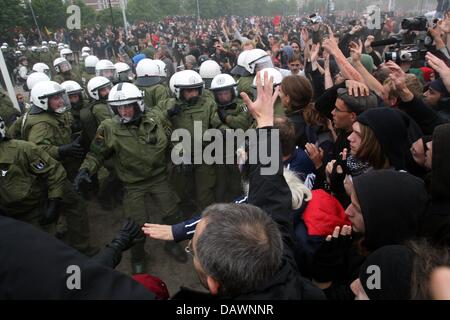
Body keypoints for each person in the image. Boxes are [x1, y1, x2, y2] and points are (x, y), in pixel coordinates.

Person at [169, 70, 325, 300]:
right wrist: (264, 124)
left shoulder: (283, 259)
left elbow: (267, 201)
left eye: (195, 251)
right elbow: (272, 199)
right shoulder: (295, 279)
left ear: (214, 284)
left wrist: (180, 230)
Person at [74, 82, 187, 274]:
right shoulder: (108, 127)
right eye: (119, 107)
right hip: (133, 183)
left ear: (139, 104)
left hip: (158, 177)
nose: (124, 111)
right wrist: (85, 170)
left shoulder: (155, 119)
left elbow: (171, 140)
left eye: (128, 106)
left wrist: (182, 155)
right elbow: (96, 154)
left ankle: (171, 243)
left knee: (173, 214)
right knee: (136, 224)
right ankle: (138, 256)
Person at [313, 169, 429, 300]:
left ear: (383, 219)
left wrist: (322, 281)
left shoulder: (386, 269)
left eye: (357, 209)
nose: (347, 212)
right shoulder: (366, 235)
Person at [21, 81, 95, 256]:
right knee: (76, 205)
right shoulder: (41, 124)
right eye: (55, 98)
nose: (61, 101)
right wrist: (62, 150)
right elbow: (36, 151)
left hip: (53, 169)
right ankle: (82, 247)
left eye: (60, 97)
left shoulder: (41, 114)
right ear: (42, 101)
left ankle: (61, 229)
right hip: (50, 172)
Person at [157, 70, 226, 214]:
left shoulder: (207, 104)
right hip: (180, 156)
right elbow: (153, 122)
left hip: (204, 155)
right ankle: (187, 217)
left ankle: (206, 220)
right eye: (189, 91)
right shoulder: (168, 104)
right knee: (181, 191)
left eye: (196, 89)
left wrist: (223, 130)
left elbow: (216, 122)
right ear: (179, 91)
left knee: (205, 192)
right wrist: (167, 114)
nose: (194, 94)